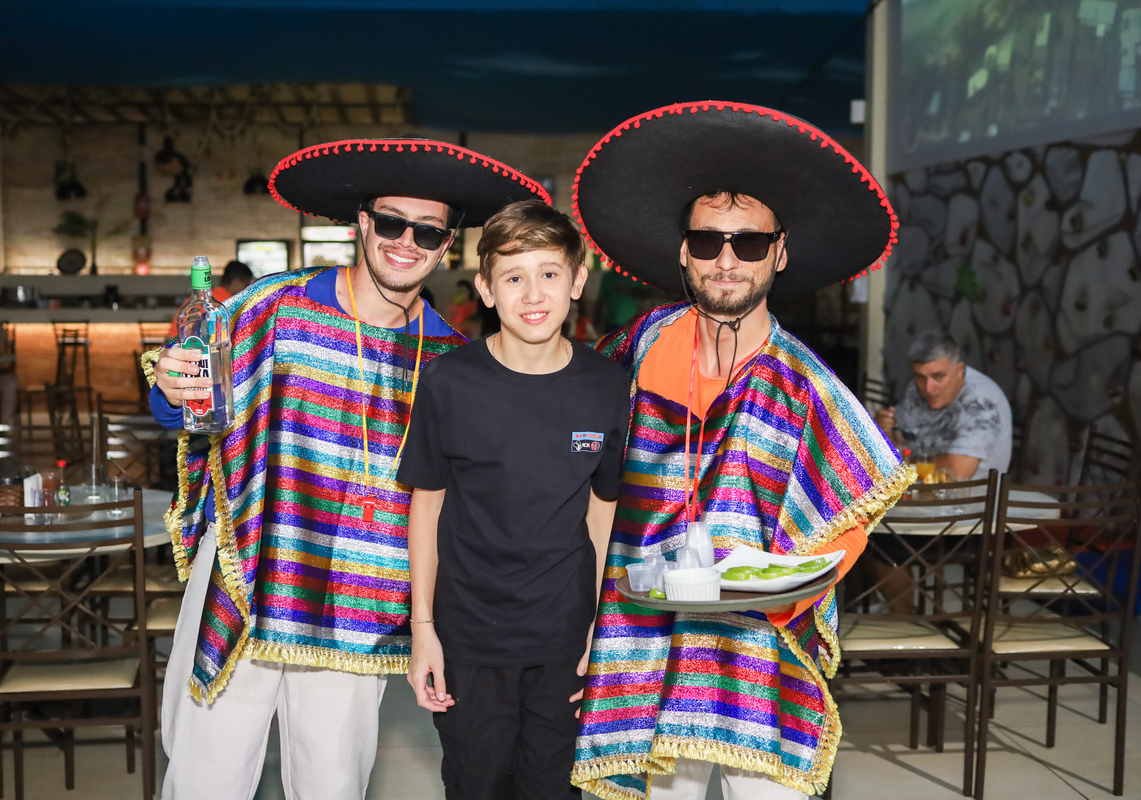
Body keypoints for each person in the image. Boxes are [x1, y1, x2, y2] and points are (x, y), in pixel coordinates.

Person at [145, 138, 549, 800]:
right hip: (249, 574)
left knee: (334, 784)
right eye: (391, 222)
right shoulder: (272, 308)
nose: (406, 242)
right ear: (362, 223)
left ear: (447, 245)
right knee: (205, 778)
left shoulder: (451, 360)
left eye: (427, 230)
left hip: (359, 599)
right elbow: (192, 414)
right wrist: (171, 391)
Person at [567, 102, 912, 799]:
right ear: (683, 250)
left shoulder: (806, 387)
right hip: (645, 645)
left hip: (755, 657)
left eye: (749, 245)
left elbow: (848, 519)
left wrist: (780, 590)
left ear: (779, 253)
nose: (727, 262)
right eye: (708, 241)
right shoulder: (628, 354)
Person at [397, 200, 630, 799]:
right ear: (485, 289)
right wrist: (423, 629)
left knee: (553, 789)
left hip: (564, 637)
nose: (534, 293)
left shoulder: (606, 385)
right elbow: (426, 507)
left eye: (550, 273)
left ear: (578, 281)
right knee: (476, 786)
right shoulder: (449, 381)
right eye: (514, 276)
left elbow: (602, 510)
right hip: (469, 637)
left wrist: (600, 626)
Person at [875, 329, 1012, 480]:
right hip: (918, 491)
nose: (928, 388)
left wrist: (901, 464)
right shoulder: (916, 387)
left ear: (959, 370)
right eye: (920, 377)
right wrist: (885, 430)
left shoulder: (982, 400)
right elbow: (900, 441)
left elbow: (956, 472)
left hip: (970, 499)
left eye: (939, 376)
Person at [166, 259, 254, 339]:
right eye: (246, 285)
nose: (246, 290)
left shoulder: (192, 301)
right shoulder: (228, 303)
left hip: (176, 350)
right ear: (236, 282)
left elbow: (170, 338)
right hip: (199, 352)